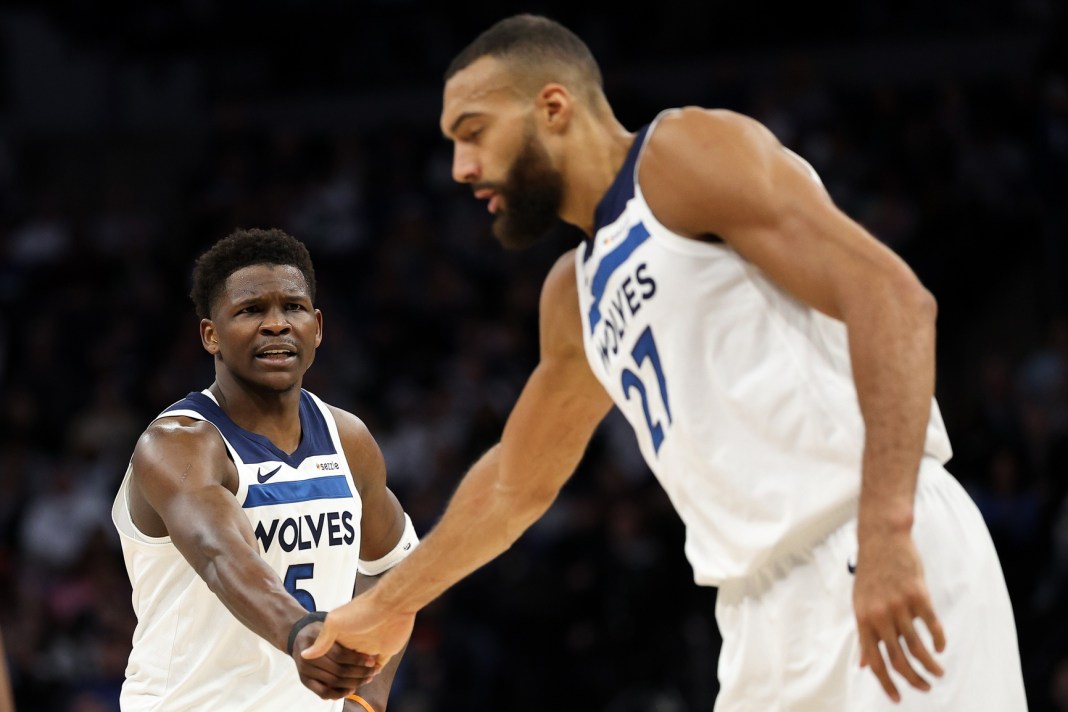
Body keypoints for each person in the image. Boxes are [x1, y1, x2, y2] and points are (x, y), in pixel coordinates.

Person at [304, 14, 1028, 711]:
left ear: (552, 106)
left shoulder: (680, 155)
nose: (462, 168)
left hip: (867, 536)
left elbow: (891, 298)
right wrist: (390, 603)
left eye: (475, 133)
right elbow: (513, 486)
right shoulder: (574, 295)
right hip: (755, 614)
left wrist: (887, 532)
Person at [112, 228, 417, 712]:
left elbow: (394, 566)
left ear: (316, 327)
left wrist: (366, 698)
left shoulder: (349, 439)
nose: (276, 324)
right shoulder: (178, 445)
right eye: (251, 310)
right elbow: (220, 555)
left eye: (292, 308)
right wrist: (299, 632)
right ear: (211, 335)